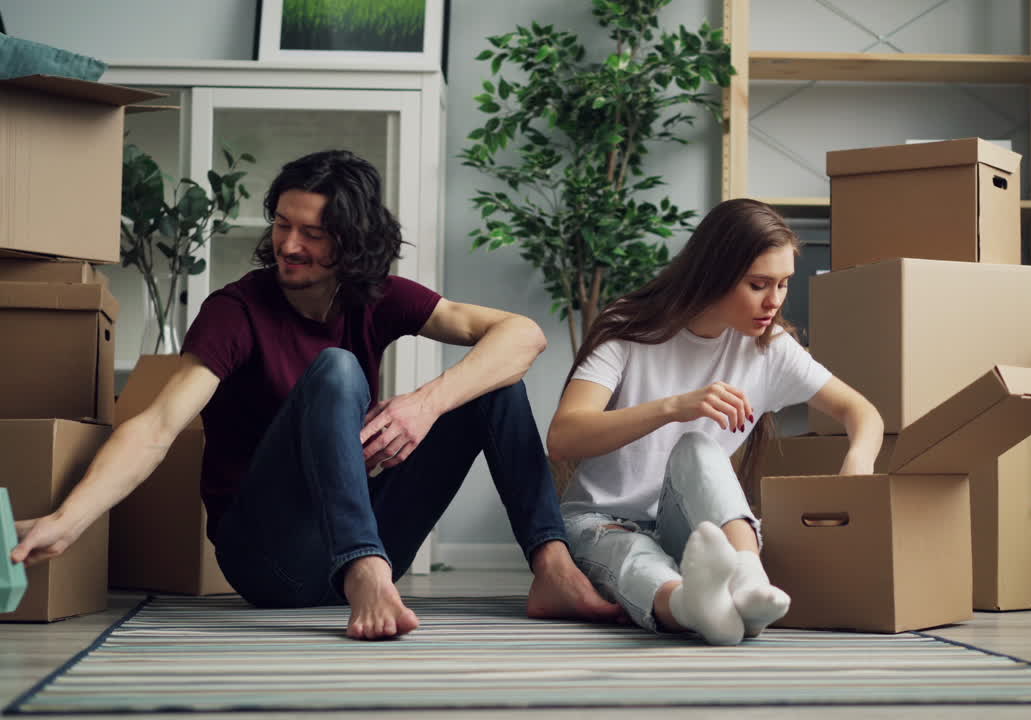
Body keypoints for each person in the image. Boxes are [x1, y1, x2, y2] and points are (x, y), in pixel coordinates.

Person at [11, 149, 624, 639]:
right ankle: (364, 571)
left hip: (369, 539)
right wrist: (71, 519)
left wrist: (426, 402)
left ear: (352, 240)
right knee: (337, 371)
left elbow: (523, 335)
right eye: (282, 224)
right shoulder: (238, 310)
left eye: (313, 233)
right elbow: (157, 424)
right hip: (270, 561)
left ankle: (551, 567)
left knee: (493, 384)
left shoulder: (375, 294)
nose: (290, 245)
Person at [546, 198, 884, 645]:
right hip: (602, 520)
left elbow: (862, 412)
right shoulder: (629, 328)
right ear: (714, 273)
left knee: (699, 448)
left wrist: (857, 463)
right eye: (759, 284)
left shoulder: (770, 347)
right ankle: (691, 606)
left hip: (694, 531)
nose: (774, 302)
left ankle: (748, 581)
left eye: (783, 284)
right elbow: (563, 436)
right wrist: (673, 407)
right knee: (632, 553)